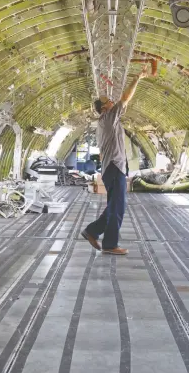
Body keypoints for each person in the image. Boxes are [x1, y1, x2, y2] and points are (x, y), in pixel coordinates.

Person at [81, 66, 149, 255]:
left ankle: (92, 231)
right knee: (118, 208)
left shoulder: (108, 122)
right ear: (104, 108)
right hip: (114, 168)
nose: (112, 101)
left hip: (112, 168)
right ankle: (110, 245)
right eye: (109, 101)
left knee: (114, 206)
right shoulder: (109, 118)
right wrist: (137, 78)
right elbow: (125, 98)